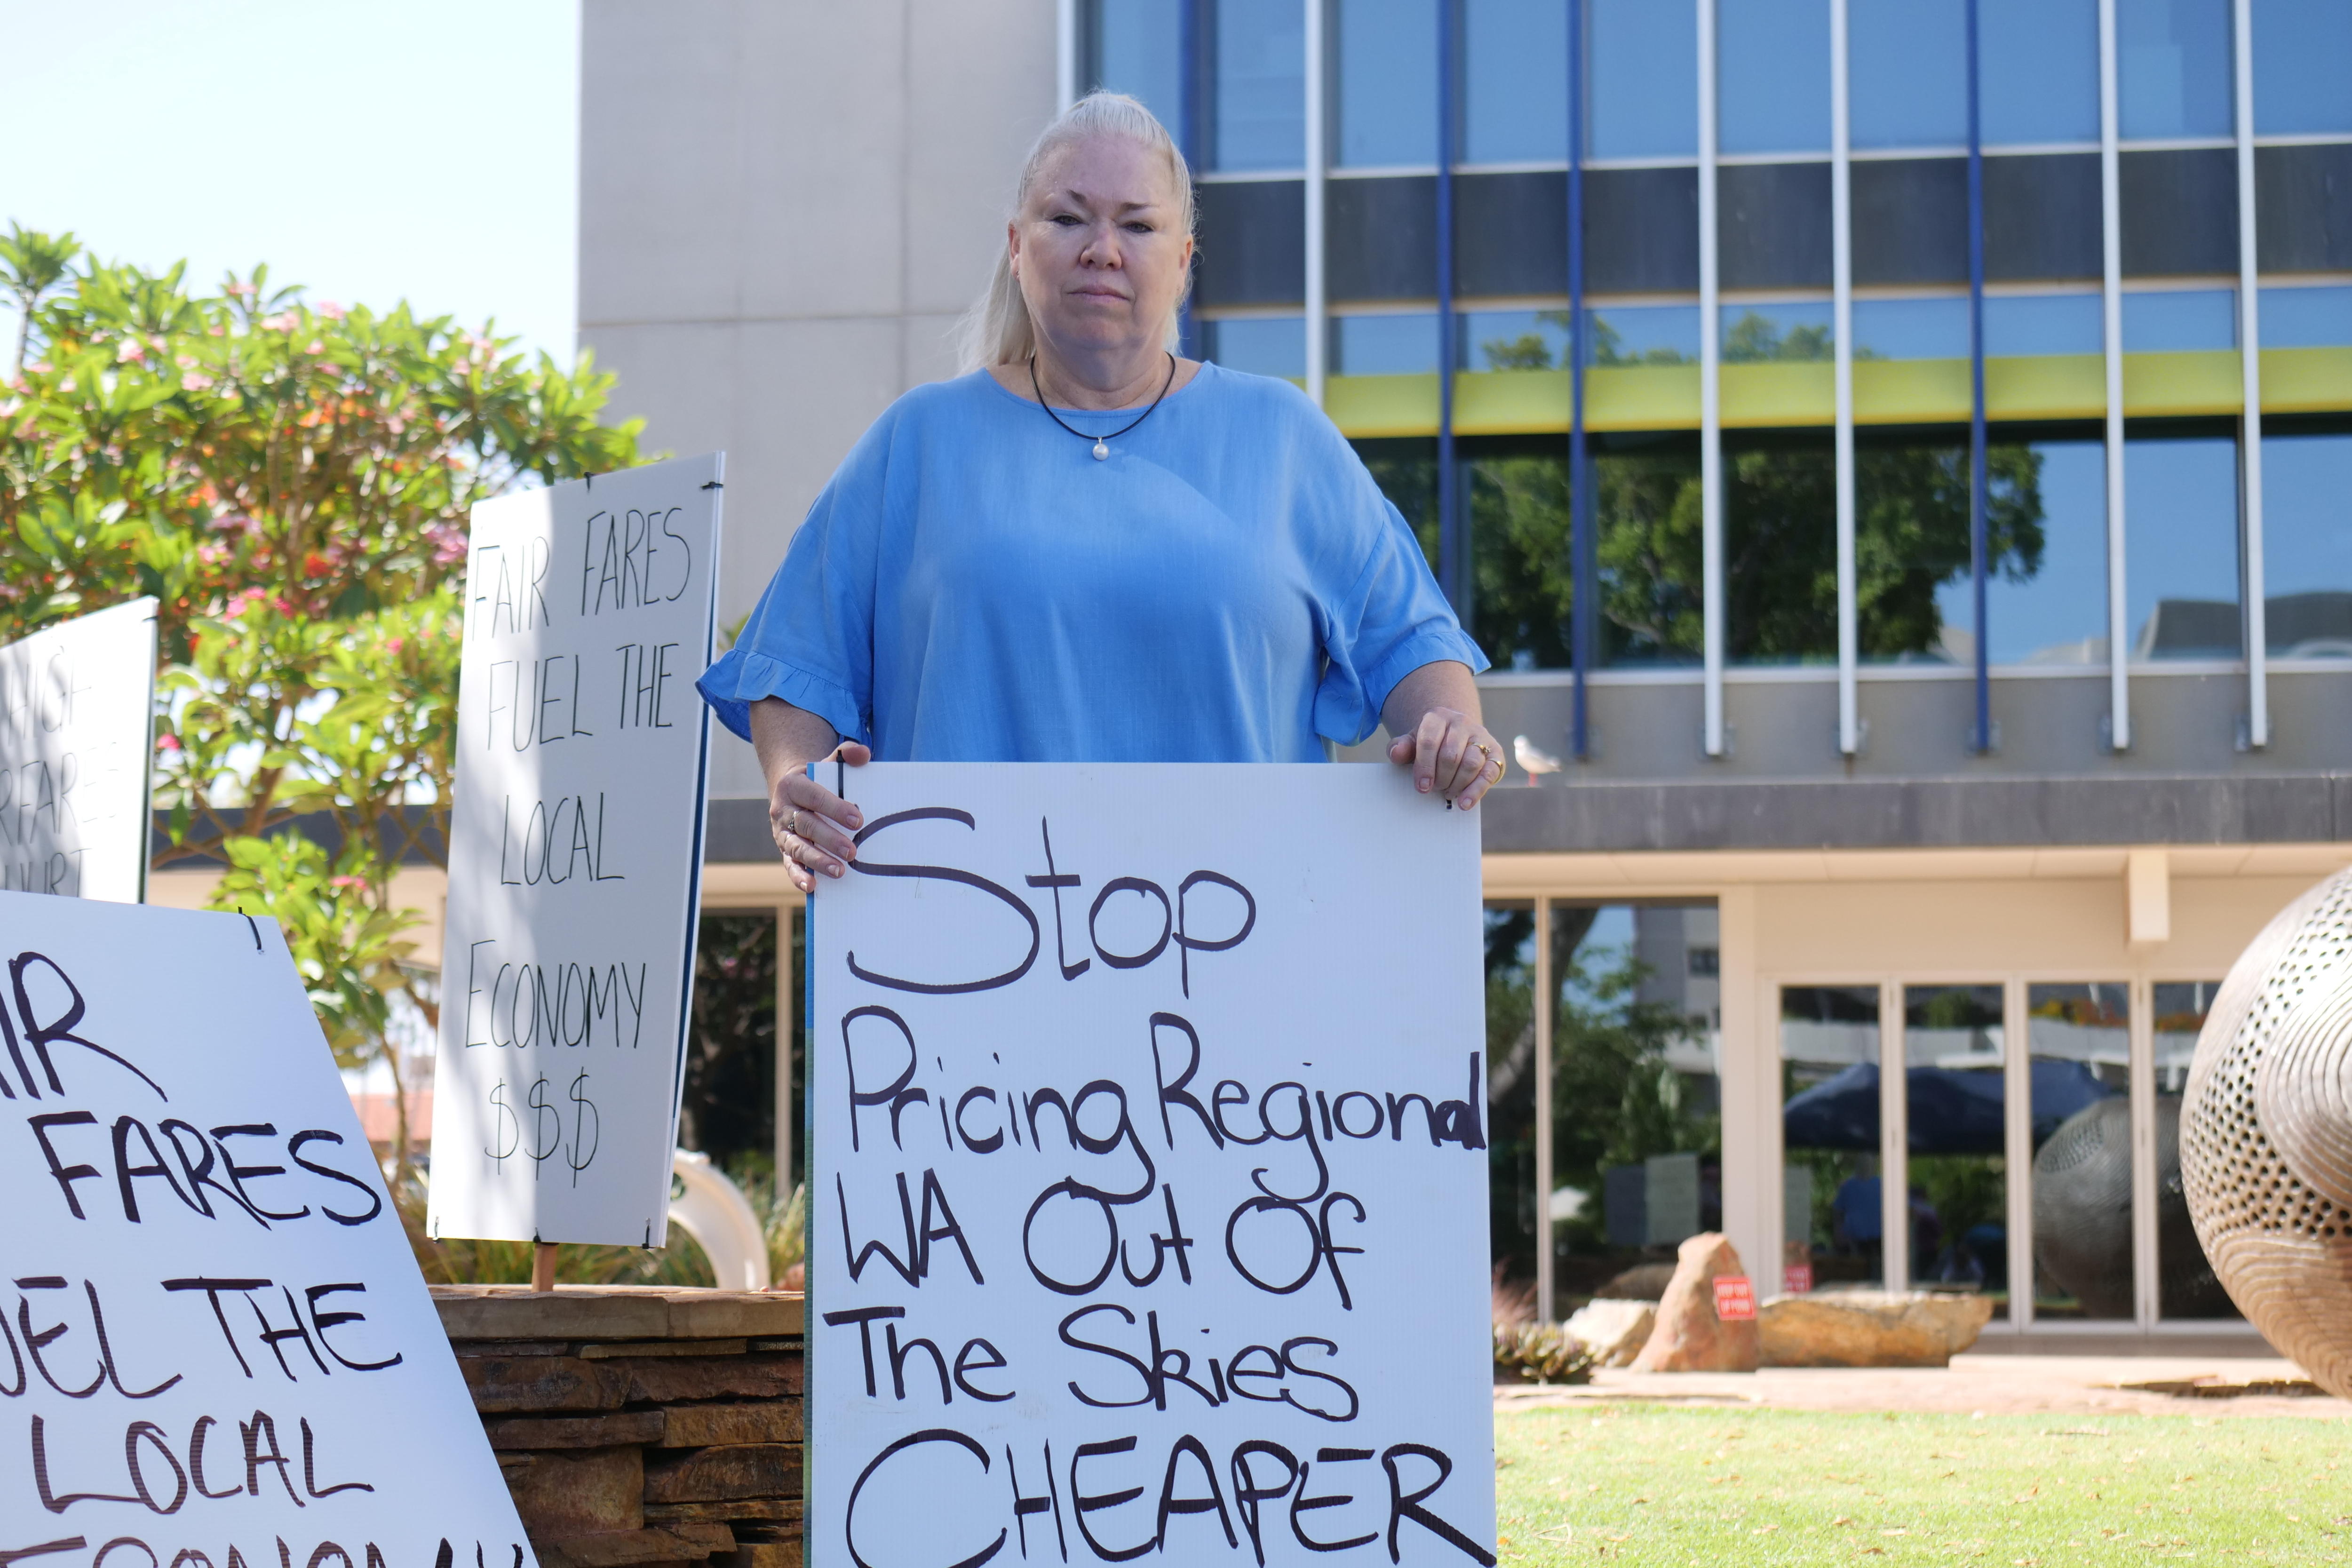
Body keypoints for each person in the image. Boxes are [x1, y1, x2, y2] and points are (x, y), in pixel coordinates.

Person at [697, 92, 1502, 893]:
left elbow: (1416, 643)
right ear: (1017, 247)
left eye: (1138, 224)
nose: (1102, 249)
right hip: (960, 970)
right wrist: (797, 784)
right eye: (1068, 218)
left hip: (1241, 954)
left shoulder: (1284, 435)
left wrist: (1450, 731)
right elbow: (790, 665)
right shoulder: (917, 441)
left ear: (1183, 260)